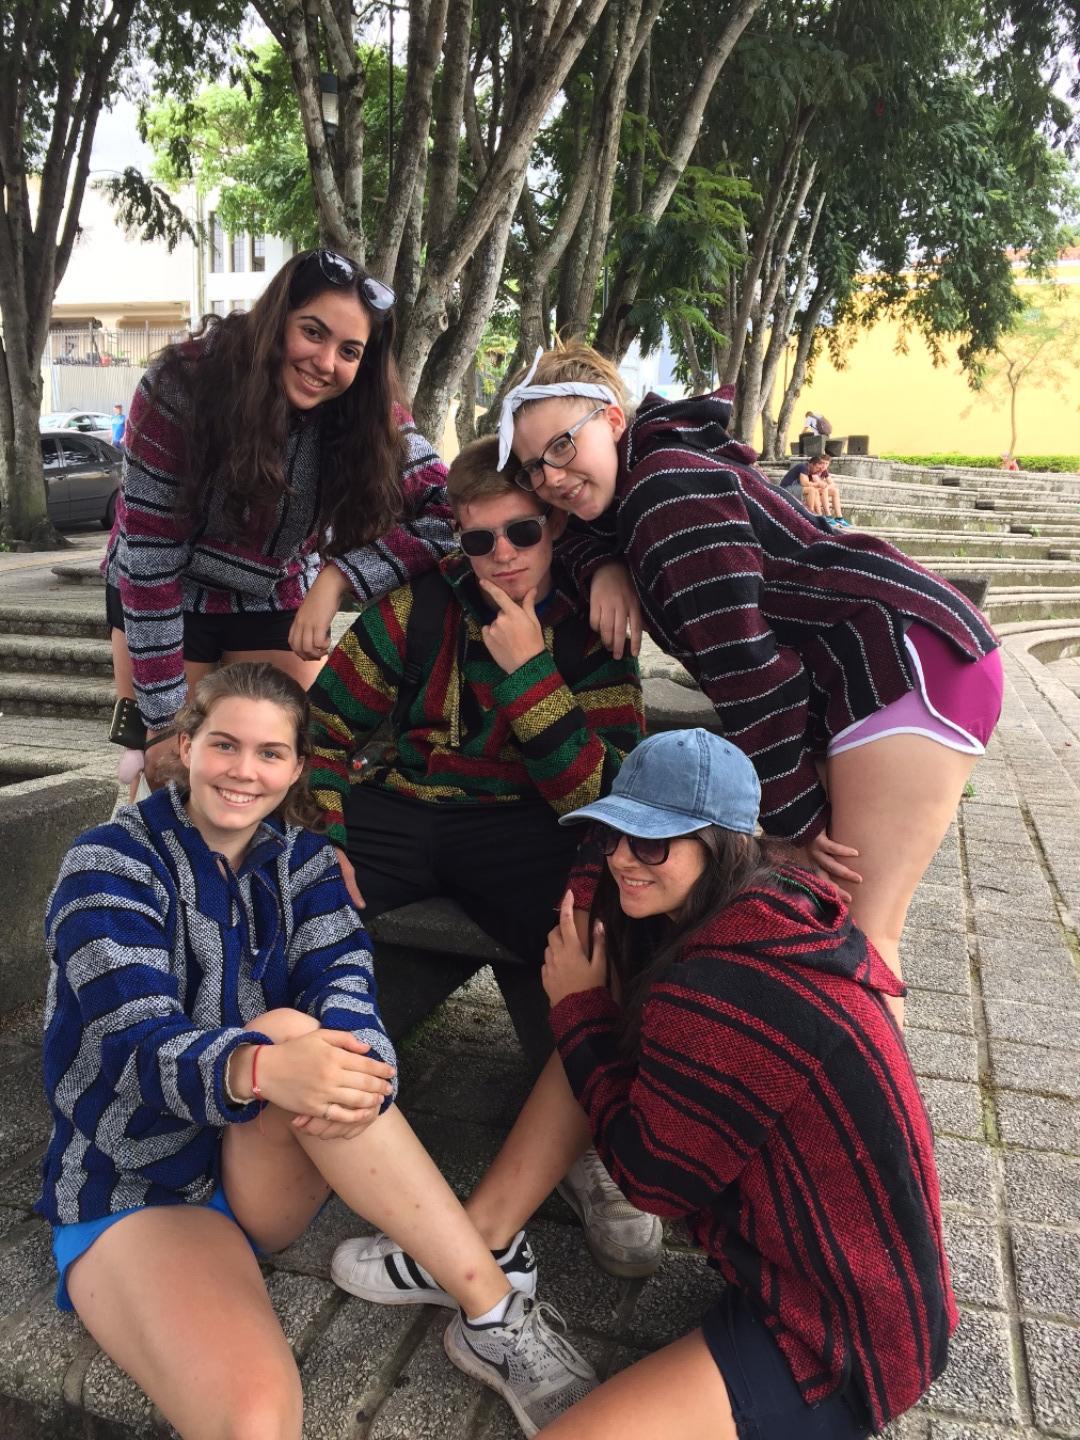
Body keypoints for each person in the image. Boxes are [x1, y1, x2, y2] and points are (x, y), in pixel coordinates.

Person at [336, 729, 958, 1440]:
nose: (623, 859)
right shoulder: (768, 903)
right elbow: (598, 893)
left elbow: (651, 1184)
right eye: (612, 834)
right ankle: (480, 1243)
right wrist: (591, 997)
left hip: (841, 1333)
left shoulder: (725, 986)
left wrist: (577, 1010)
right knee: (605, 1018)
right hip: (835, 1268)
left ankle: (485, 1260)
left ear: (723, 844)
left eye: (654, 843)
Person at [38, 662, 597, 1439]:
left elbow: (347, 986)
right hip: (139, 1183)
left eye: (270, 753)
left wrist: (359, 1067)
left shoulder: (304, 863)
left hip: (261, 1173)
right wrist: (259, 1067)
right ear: (187, 746)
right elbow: (132, 1044)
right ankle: (480, 1273)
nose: (244, 771)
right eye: (225, 745)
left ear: (298, 767)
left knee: (310, 1033)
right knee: (255, 1423)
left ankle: (491, 1311)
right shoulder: (108, 862)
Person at [499, 342, 1004, 1022]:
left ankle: (871, 1093)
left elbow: (749, 672)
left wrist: (796, 820)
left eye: (563, 446)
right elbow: (578, 528)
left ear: (613, 420)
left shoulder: (666, 496)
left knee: (858, 932)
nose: (552, 476)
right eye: (534, 466)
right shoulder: (651, 476)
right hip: (878, 667)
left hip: (901, 665)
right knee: (828, 920)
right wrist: (602, 565)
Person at [309, 434, 661, 1278]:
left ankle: (592, 1137)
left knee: (594, 923)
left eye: (522, 533)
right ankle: (282, 1069)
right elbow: (319, 728)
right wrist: (323, 834)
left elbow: (604, 798)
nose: (503, 555)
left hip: (526, 823)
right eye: (479, 539)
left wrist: (531, 673)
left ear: (554, 527)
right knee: (289, 880)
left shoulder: (591, 629)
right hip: (406, 806)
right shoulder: (417, 608)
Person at [103, 249, 637, 790]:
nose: (325, 362)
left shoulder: (367, 409)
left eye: (349, 351)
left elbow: (443, 510)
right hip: (167, 588)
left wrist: (339, 578)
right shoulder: (181, 387)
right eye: (312, 332)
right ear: (276, 320)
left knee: (291, 761)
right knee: (176, 769)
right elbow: (150, 559)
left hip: (274, 590)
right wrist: (162, 720)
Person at [780, 454, 850, 526]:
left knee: (834, 491)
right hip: (787, 488)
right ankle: (820, 516)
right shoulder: (805, 467)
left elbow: (831, 484)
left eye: (826, 463)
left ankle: (838, 517)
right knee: (814, 490)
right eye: (822, 463)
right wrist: (821, 484)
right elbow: (806, 483)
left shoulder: (816, 469)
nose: (823, 466)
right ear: (813, 464)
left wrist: (823, 485)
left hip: (799, 489)